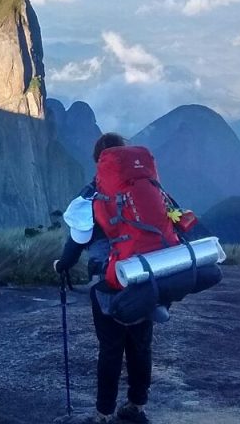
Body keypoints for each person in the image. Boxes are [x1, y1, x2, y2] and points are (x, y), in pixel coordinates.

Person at [53, 133, 154, 424]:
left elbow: (76, 244)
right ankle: (136, 406)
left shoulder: (91, 196)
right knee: (141, 344)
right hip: (145, 277)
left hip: (109, 282)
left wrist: (62, 265)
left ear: (100, 161)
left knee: (111, 348)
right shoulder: (146, 188)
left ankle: (104, 413)